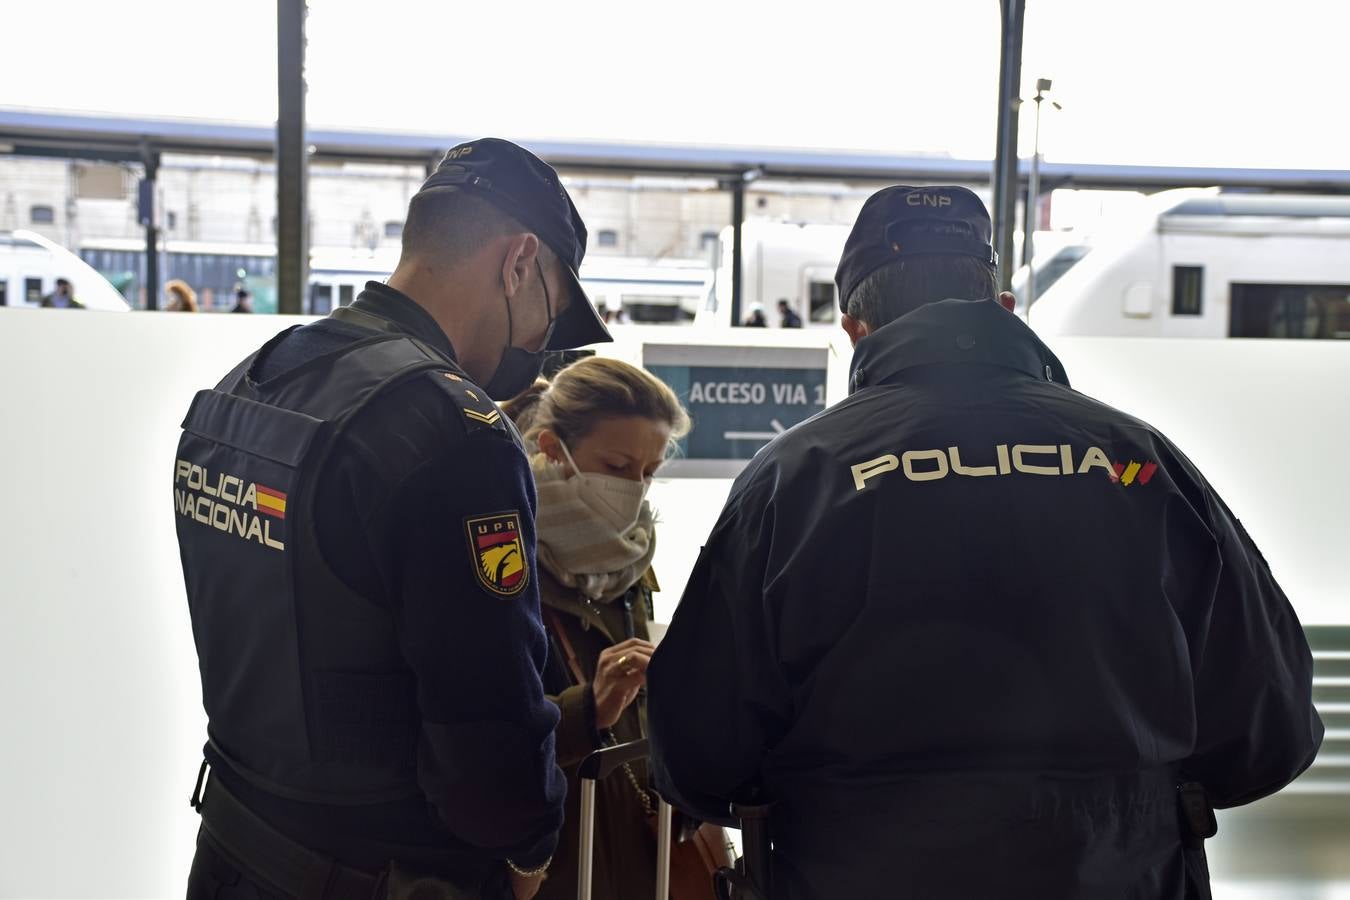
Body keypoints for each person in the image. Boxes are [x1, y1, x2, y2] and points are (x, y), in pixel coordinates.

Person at [647, 185, 1323, 900]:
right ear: (1003, 309)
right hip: (1119, 873)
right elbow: (1268, 728)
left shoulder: (795, 475)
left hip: (857, 872)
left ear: (854, 328)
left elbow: (697, 752)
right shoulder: (1142, 462)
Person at [173, 137, 613, 900]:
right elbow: (488, 730)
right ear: (517, 263)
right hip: (380, 875)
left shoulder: (252, 384)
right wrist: (529, 853)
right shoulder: (450, 434)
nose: (545, 351)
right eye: (554, 308)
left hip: (232, 852)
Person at [501, 357, 695, 900]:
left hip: (633, 856)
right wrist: (587, 710)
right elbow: (480, 739)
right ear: (551, 449)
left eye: (650, 472)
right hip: (546, 870)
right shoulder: (502, 562)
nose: (634, 490)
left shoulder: (630, 560)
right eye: (616, 465)